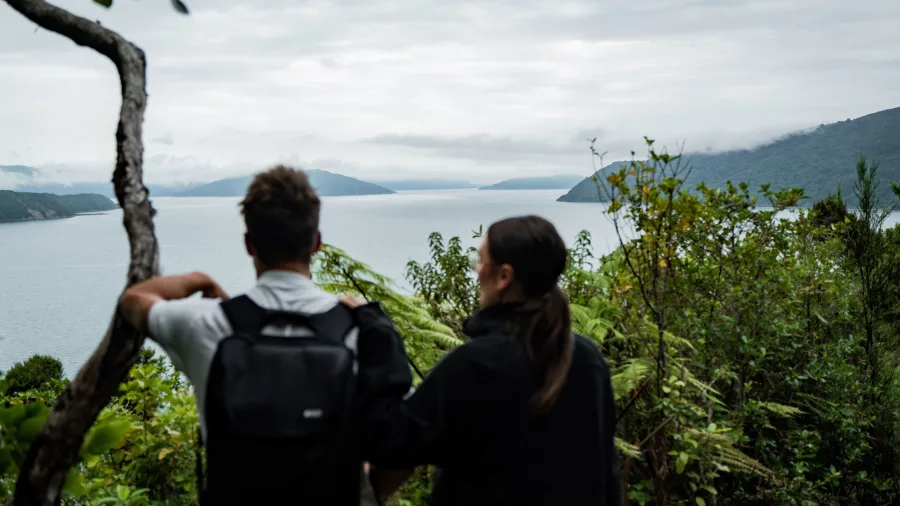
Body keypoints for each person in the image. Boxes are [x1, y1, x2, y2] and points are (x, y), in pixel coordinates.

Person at [118, 166, 408, 506]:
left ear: (249, 244)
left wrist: (199, 280)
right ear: (316, 242)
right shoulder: (362, 331)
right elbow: (406, 443)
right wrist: (370, 493)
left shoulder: (206, 325)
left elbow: (134, 300)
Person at [351, 215, 622, 506]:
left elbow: (391, 442)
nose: (477, 270)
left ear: (504, 277)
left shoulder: (477, 364)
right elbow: (606, 469)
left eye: (480, 261)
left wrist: (378, 332)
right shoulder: (587, 357)